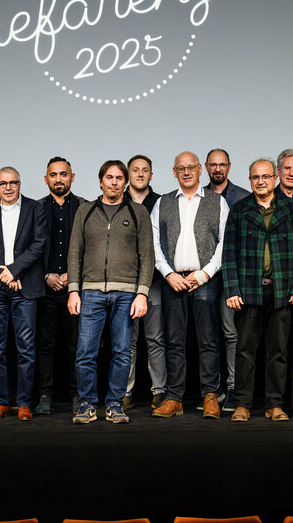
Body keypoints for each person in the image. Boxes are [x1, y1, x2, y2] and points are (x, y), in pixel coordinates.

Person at [67, 160, 156, 424]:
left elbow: (147, 256)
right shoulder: (85, 211)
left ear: (125, 182)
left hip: (127, 293)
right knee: (85, 352)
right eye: (109, 177)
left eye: (119, 178)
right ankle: (87, 404)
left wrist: (142, 293)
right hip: (91, 292)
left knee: (121, 352)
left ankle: (115, 404)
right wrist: (74, 290)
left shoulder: (137, 212)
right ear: (101, 181)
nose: (114, 182)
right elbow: (75, 253)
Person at [223, 158, 293, 423]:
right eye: (255, 177)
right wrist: (231, 290)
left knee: (278, 351)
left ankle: (274, 405)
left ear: (275, 178)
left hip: (282, 290)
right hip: (248, 291)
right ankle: (242, 405)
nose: (260, 181)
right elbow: (229, 254)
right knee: (245, 351)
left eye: (265, 176)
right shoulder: (239, 209)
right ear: (250, 181)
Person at [150, 152, 227, 419]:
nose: (186, 172)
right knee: (174, 342)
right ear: (174, 172)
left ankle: (210, 396)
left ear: (199, 170)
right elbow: (154, 244)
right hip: (173, 279)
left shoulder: (218, 202)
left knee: (208, 341)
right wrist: (169, 274)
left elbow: (224, 244)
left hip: (205, 279)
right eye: (181, 168)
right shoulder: (163, 203)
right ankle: (174, 398)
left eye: (191, 167)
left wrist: (204, 275)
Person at [0, 166, 48, 421]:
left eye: (12, 182)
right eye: (3, 183)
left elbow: (39, 244)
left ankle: (24, 403)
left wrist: (14, 271)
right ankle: (1, 402)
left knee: (26, 348)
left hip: (24, 287)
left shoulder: (34, 208)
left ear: (20, 184)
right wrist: (3, 275)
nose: (7, 187)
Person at [35, 157, 84, 414]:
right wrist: (46, 275)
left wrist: (71, 277)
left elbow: (92, 249)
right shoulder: (36, 208)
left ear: (72, 177)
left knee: (76, 346)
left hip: (75, 290)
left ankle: (78, 395)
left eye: (63, 174)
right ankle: (45, 396)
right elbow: (30, 248)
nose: (58, 179)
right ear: (46, 180)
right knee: (45, 346)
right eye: (53, 175)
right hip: (44, 289)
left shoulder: (85, 207)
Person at [204, 147, 249, 412]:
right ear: (206, 167)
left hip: (232, 276)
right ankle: (212, 390)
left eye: (222, 165)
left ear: (229, 167)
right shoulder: (198, 196)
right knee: (208, 335)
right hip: (205, 277)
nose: (218, 169)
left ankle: (233, 388)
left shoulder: (242, 197)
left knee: (232, 335)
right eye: (213, 165)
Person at [124, 153, 165, 411]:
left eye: (145, 170)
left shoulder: (161, 203)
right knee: (126, 340)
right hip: (126, 281)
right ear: (128, 174)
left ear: (151, 174)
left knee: (156, 338)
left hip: (155, 281)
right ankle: (125, 392)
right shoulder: (116, 200)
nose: (140, 174)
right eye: (135, 170)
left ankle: (159, 391)